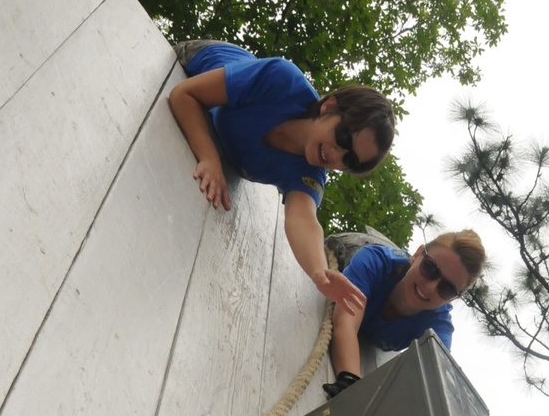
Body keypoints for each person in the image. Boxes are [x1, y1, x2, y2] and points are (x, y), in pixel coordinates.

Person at [169, 42, 395, 314]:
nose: (337, 154)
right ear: (329, 107)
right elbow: (184, 94)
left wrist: (319, 272)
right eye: (344, 137)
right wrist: (209, 157)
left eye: (350, 160)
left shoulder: (308, 174)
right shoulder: (281, 81)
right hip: (197, 60)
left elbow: (303, 218)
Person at [322, 230, 487, 399]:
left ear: (453, 298)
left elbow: (438, 379)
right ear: (417, 254)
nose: (430, 287)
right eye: (430, 268)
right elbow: (345, 321)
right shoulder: (374, 261)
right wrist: (350, 383)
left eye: (447, 288)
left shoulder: (438, 328)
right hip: (350, 248)